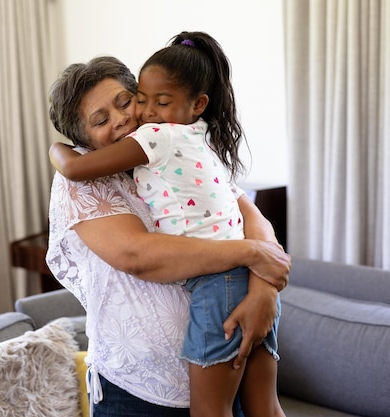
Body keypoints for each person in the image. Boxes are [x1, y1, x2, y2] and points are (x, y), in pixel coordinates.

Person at [48, 32, 285, 417]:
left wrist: (263, 289)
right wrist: (251, 255)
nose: (123, 118)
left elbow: (252, 217)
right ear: (83, 140)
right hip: (138, 391)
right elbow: (138, 255)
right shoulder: (83, 181)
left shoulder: (173, 146)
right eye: (101, 119)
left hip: (224, 359)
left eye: (126, 101)